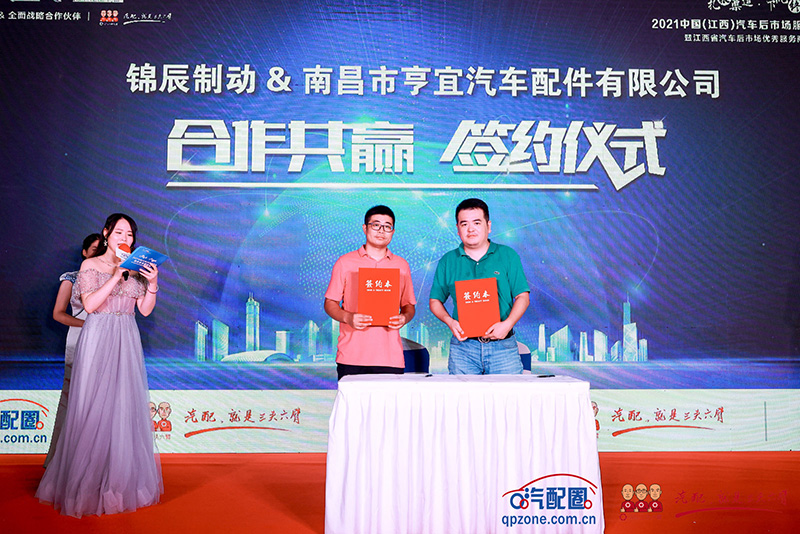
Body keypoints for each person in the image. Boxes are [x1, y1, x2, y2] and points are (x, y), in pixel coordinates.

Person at [37, 213, 163, 517]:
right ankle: (85, 484)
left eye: (130, 234)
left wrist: (153, 283)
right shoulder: (90, 266)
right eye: (119, 232)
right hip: (98, 336)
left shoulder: (137, 269)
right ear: (106, 234)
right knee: (92, 405)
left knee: (122, 407)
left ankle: (116, 482)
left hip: (126, 338)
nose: (125, 238)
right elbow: (91, 305)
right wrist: (117, 275)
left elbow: (145, 310)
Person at [429, 198, 530, 374]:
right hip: (463, 349)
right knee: (462, 393)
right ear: (458, 229)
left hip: (503, 348)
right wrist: (450, 322)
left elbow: (523, 297)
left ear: (488, 226)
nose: (471, 229)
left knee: (509, 393)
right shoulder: (448, 260)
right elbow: (435, 301)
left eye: (477, 223)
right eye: (464, 224)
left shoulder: (508, 255)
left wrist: (507, 324)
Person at [324, 205, 416, 380]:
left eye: (387, 226)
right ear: (365, 228)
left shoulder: (401, 265)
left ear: (393, 232)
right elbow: (330, 303)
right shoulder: (345, 262)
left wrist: (404, 318)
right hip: (351, 355)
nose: (381, 231)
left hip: (390, 357)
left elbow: (409, 306)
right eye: (376, 225)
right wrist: (348, 317)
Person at [44, 233, 101, 468]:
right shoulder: (71, 278)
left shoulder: (114, 277)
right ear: (84, 252)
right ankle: (61, 462)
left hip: (108, 340)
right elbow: (58, 314)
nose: (98, 253)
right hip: (79, 339)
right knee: (72, 399)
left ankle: (98, 463)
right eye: (94, 249)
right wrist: (87, 325)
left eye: (102, 249)